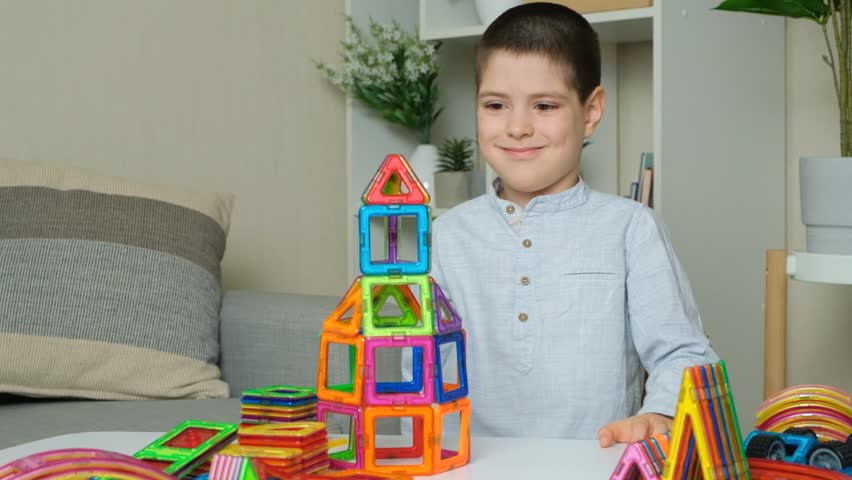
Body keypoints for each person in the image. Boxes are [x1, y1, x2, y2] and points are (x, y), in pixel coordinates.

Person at [419, 2, 720, 446]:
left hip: (593, 463)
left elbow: (684, 353)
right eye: (496, 105)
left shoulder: (630, 228)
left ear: (591, 110)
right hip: (464, 465)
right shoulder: (445, 236)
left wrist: (658, 414)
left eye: (544, 105)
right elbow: (404, 358)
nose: (517, 127)